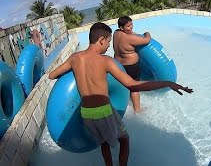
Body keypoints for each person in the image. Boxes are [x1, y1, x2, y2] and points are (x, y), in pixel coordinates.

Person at [48, 22, 193, 166]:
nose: (108, 46)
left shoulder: (75, 58)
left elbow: (52, 75)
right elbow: (132, 85)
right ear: (101, 40)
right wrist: (167, 83)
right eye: (109, 42)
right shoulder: (105, 61)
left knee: (103, 142)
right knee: (124, 139)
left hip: (86, 113)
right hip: (104, 112)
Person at [113, 16, 150, 113]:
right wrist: (147, 33)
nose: (131, 28)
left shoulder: (116, 33)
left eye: (131, 25)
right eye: (128, 26)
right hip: (131, 66)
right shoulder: (129, 38)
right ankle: (137, 110)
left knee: (125, 83)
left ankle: (127, 101)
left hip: (118, 65)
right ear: (122, 28)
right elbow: (147, 40)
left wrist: (132, 33)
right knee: (135, 87)